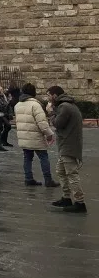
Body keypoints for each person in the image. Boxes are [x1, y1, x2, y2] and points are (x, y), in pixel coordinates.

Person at [48, 85, 86, 213]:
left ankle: (80, 203)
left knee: (71, 174)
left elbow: (58, 124)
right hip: (66, 144)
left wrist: (51, 112)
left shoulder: (64, 107)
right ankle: (66, 197)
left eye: (49, 95)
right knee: (60, 171)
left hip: (68, 145)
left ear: (54, 95)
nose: (48, 98)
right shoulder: (68, 105)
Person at [13, 83, 58, 188]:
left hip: (24, 137)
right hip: (36, 137)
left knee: (27, 158)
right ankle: (48, 180)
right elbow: (42, 122)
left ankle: (28, 179)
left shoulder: (17, 105)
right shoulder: (35, 105)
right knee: (43, 157)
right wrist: (49, 134)